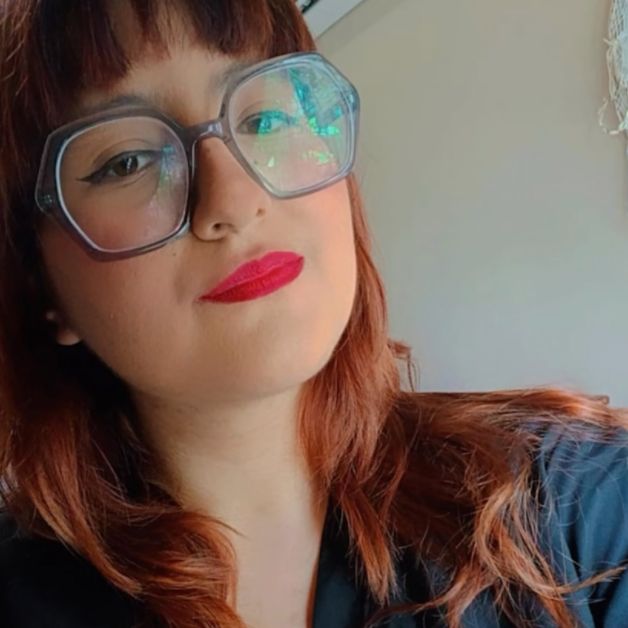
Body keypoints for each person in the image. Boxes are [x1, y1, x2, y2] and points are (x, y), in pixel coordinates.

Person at [1, 1, 628, 627]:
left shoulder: (570, 509)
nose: (234, 198)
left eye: (267, 118)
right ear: (40, 281)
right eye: (128, 162)